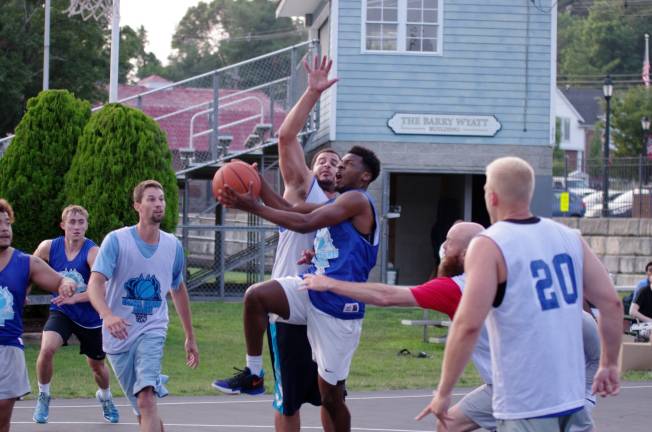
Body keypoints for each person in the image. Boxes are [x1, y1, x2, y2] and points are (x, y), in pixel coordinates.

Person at [302, 222, 602, 432]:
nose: (442, 245)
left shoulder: (457, 286)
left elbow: (386, 295)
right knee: (451, 422)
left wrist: (331, 283)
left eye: (448, 241)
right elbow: (584, 320)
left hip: (527, 390)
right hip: (519, 381)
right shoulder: (516, 270)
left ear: (458, 254)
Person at [417, 156, 623, 431]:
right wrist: (609, 363)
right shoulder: (569, 237)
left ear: (491, 196)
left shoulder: (489, 244)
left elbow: (468, 324)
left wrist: (444, 392)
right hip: (571, 397)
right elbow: (611, 303)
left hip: (526, 401)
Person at [213, 55, 340, 432]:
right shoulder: (305, 190)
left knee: (331, 397)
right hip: (288, 304)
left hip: (328, 309)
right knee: (289, 399)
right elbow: (286, 137)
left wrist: (260, 194)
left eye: (335, 162)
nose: (328, 165)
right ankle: (254, 374)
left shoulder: (351, 209)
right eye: (321, 160)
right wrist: (313, 93)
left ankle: (254, 375)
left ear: (347, 173)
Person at [216, 145, 381, 432]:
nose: (340, 168)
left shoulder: (357, 200)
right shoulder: (340, 203)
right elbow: (294, 211)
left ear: (365, 176)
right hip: (313, 291)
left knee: (331, 398)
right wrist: (261, 186)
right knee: (256, 296)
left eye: (347, 164)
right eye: (338, 164)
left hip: (339, 310)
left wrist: (254, 207)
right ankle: (254, 372)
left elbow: (304, 223)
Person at [87, 180, 199, 432]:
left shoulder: (173, 246)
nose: (158, 203)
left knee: (147, 398)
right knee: (142, 409)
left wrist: (190, 336)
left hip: (153, 329)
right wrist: (107, 315)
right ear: (137, 205)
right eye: (151, 199)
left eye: (161, 198)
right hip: (118, 336)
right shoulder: (116, 241)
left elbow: (178, 288)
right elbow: (95, 283)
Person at [31, 205, 119, 424]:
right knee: (47, 347)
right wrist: (21, 294)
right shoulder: (48, 247)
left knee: (97, 366)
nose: (77, 226)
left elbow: (101, 290)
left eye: (81, 222)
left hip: (90, 318)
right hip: (61, 311)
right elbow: (29, 270)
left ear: (87, 225)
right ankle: (43, 395)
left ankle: (106, 397)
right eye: (72, 222)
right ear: (63, 225)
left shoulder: (93, 252)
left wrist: (74, 298)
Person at [0, 199, 77, 432]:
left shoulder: (25, 262)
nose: (4, 228)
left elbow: (61, 279)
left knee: (2, 416)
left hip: (8, 348)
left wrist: (66, 283)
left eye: (7, 223)